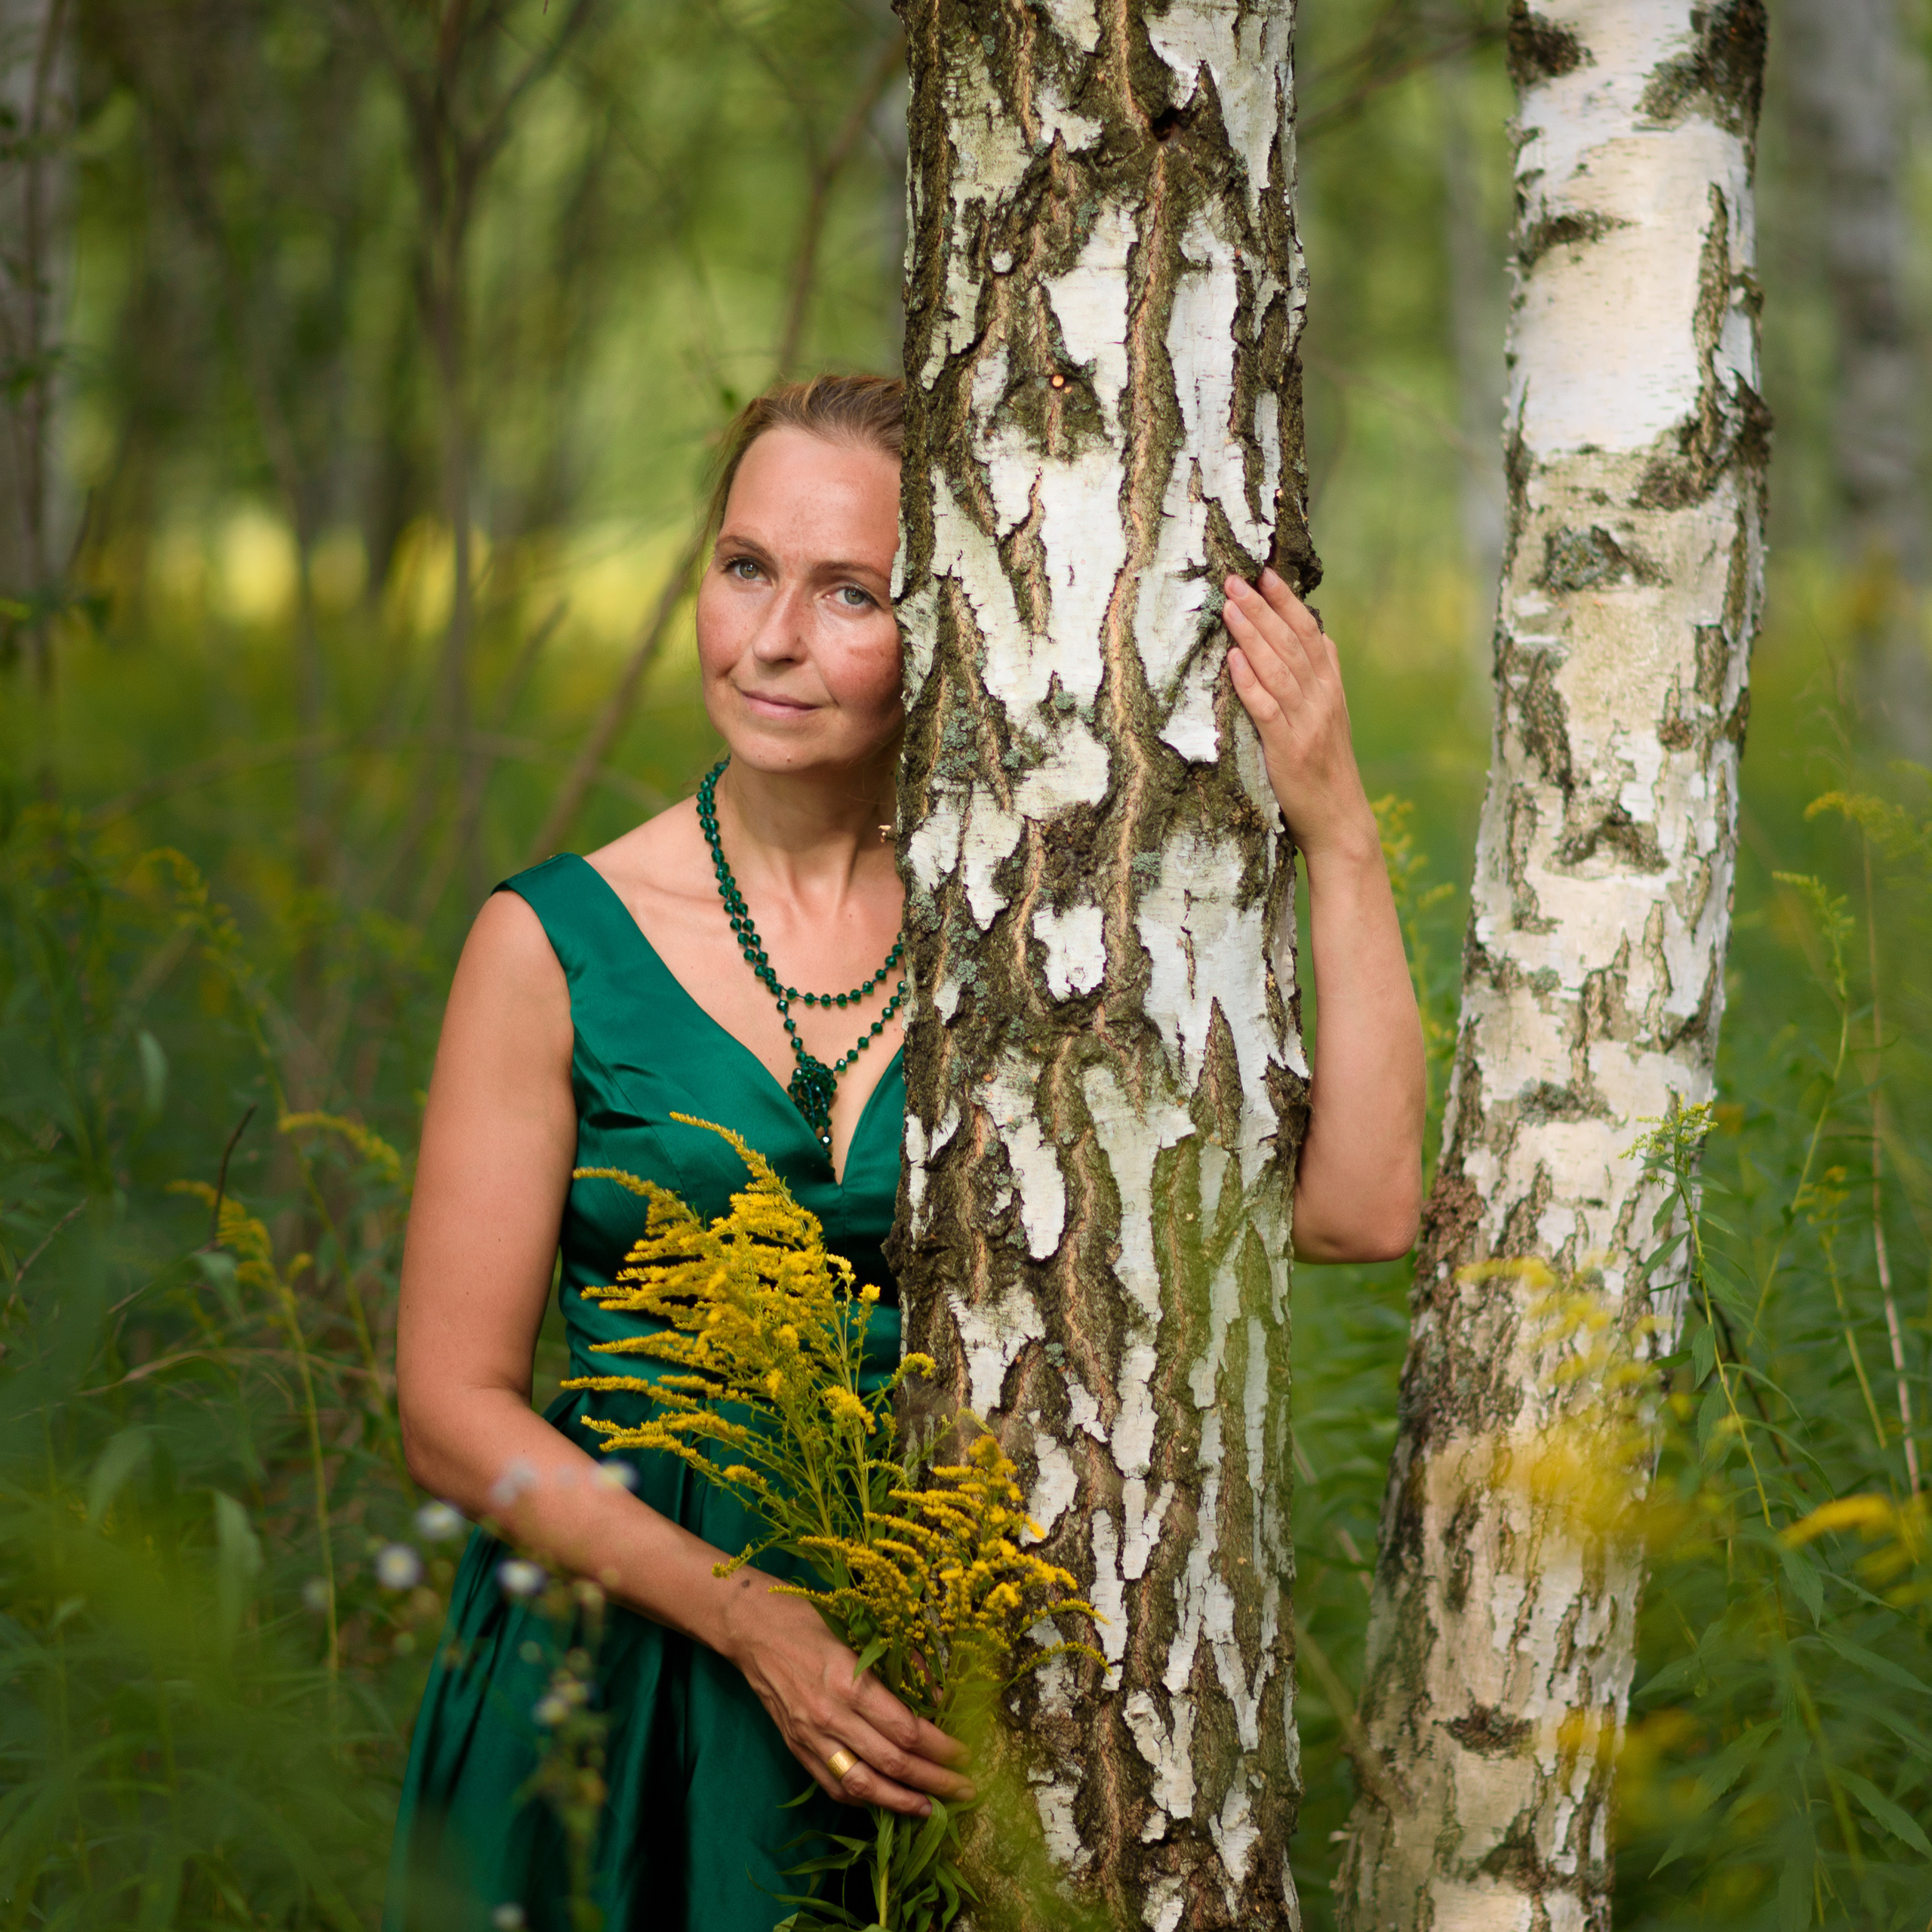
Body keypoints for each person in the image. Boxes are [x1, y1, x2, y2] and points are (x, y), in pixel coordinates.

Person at [386, 374, 1424, 1930]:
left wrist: (1333, 828)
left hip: (931, 1691)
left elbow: (1358, 1205)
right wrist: (749, 1619)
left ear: (948, 617)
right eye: (743, 568)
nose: (771, 638)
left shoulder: (1027, 939)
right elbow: (450, 1414)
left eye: (847, 592)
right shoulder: (551, 941)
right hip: (609, 1687)